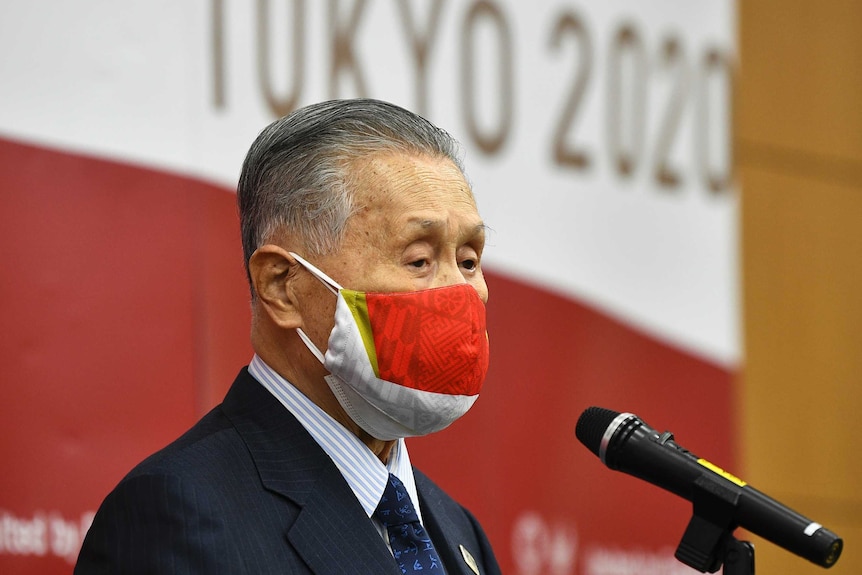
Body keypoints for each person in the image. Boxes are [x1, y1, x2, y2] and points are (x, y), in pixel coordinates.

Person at [75, 99, 501, 574]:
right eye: (419, 260)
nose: (461, 293)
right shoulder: (177, 516)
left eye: (468, 260)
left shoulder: (458, 530)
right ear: (282, 286)